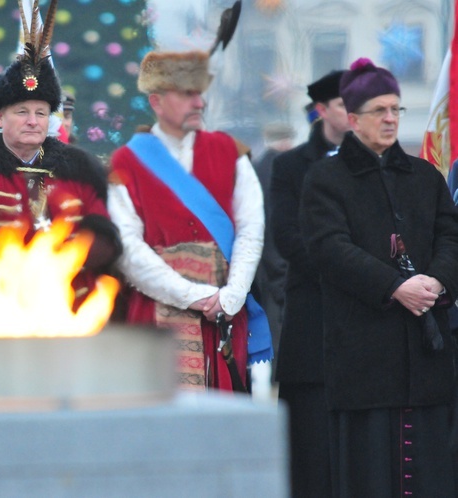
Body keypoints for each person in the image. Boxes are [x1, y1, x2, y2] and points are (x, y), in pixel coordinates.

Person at [300, 58, 458, 497]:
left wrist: (437, 282)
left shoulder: (425, 176)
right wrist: (394, 287)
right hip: (363, 350)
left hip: (425, 352)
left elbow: (452, 237)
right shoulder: (325, 179)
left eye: (396, 109)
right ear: (352, 119)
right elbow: (330, 248)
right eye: (379, 111)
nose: (390, 119)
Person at [107, 44, 271, 393]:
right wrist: (190, 296)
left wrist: (231, 296)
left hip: (223, 314)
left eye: (200, 94)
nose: (199, 103)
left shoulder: (229, 150)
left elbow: (251, 228)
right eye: (187, 94)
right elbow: (126, 245)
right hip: (155, 314)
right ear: (156, 101)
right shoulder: (126, 161)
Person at [0, 0, 122, 302]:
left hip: (71, 311)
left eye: (41, 112)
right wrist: (25, 267)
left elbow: (104, 239)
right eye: (22, 111)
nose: (33, 122)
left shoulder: (80, 167)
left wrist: (60, 264)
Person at [269, 69, 348, 498]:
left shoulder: (377, 163)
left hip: (365, 321)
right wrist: (356, 273)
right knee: (311, 444)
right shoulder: (290, 165)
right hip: (313, 317)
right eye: (343, 105)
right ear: (321, 111)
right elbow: (288, 238)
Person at [250, 122, 295, 397]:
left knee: (269, 327)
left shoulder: (255, 169)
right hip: (287, 262)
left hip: (261, 264)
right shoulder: (290, 169)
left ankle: (269, 380)